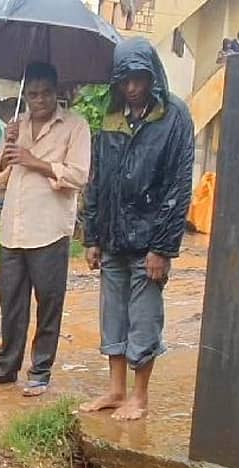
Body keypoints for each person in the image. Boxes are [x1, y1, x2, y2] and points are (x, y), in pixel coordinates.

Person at [81, 37, 194, 421]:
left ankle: (140, 397)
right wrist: (92, 236)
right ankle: (116, 390)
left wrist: (162, 247)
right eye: (125, 80)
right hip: (112, 237)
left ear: (152, 77)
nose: (132, 87)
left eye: (139, 79)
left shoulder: (173, 116)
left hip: (149, 241)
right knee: (112, 314)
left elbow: (178, 186)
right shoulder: (112, 116)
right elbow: (97, 180)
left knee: (144, 317)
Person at [0, 61, 91, 397]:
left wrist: (34, 161)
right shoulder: (17, 125)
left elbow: (79, 175)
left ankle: (40, 371)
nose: (38, 100)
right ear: (25, 96)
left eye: (45, 94)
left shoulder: (75, 126)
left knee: (48, 302)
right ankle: (5, 367)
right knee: (11, 302)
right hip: (14, 227)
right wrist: (9, 148)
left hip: (50, 229)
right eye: (33, 95)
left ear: (57, 93)